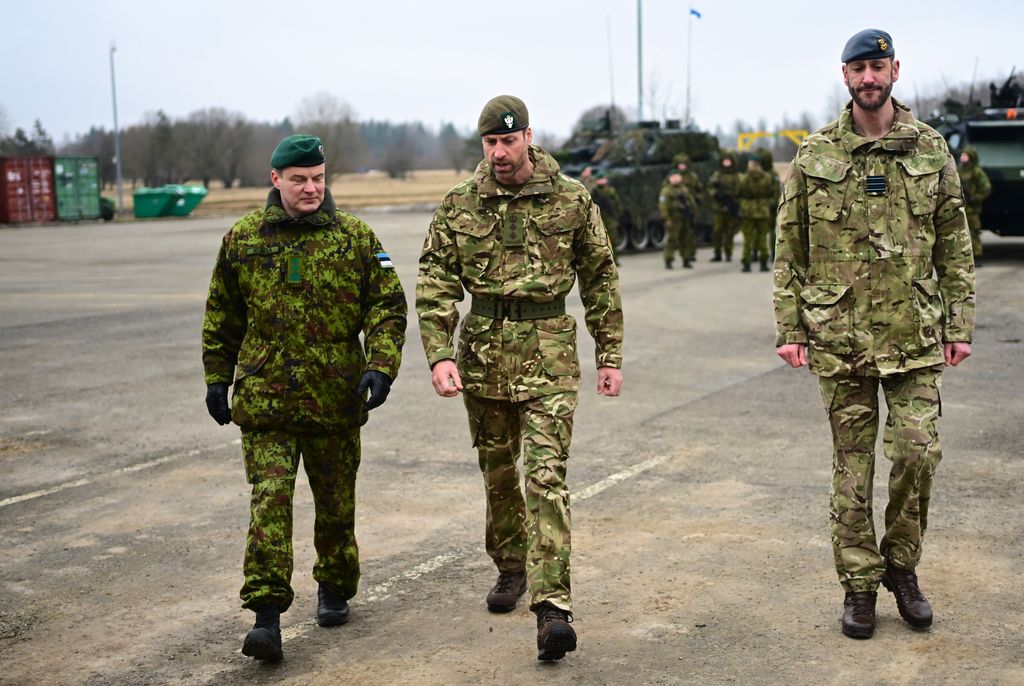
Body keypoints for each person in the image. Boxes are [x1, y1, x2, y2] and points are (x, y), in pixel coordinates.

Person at [773, 29, 975, 641]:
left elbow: (956, 246)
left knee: (918, 454)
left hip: (915, 334)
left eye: (877, 67)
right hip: (840, 339)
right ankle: (859, 587)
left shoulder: (930, 149)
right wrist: (791, 327)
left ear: (895, 71)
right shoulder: (816, 156)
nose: (869, 78)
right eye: (859, 68)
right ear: (845, 76)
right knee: (852, 470)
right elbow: (789, 249)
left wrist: (959, 322)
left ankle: (903, 568)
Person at [416, 95, 624, 662]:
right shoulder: (461, 204)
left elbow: (600, 278)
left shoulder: (572, 199)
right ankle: (511, 566)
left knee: (546, 476)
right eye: (491, 143)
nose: (501, 152)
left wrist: (610, 354)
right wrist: (439, 354)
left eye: (509, 141)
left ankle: (553, 607)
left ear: (529, 137)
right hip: (482, 355)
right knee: (500, 473)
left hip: (550, 353)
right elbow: (434, 280)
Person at [201, 134, 407, 661]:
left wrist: (380, 367)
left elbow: (387, 307)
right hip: (266, 399)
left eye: (318, 178)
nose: (311, 188)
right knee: (269, 501)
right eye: (299, 180)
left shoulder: (355, 238)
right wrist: (217, 378)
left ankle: (335, 584)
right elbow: (222, 314)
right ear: (276, 181)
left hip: (335, 397)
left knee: (335, 506)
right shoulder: (244, 239)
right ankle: (266, 616)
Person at [737, 152, 777, 272]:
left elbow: (737, 193)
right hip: (762, 210)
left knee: (748, 239)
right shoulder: (767, 177)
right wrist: (766, 204)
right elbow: (773, 193)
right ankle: (763, 262)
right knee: (762, 238)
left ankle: (746, 263)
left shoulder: (744, 178)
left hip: (747, 210)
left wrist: (742, 204)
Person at [957, 146, 991, 266]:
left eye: (965, 155)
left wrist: (975, 198)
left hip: (971, 209)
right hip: (961, 207)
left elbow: (986, 187)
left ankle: (978, 256)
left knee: (974, 233)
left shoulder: (977, 171)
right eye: (962, 155)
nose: (962, 157)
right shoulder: (960, 170)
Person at [708, 152, 741, 262]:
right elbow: (710, 187)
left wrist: (733, 199)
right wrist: (716, 194)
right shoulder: (717, 175)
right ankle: (717, 253)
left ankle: (728, 253)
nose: (726, 163)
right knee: (717, 231)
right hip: (718, 208)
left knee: (730, 232)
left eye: (728, 161)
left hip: (731, 207)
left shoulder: (736, 176)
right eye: (725, 161)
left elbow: (740, 190)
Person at [660, 170, 697, 269]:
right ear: (669, 178)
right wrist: (666, 218)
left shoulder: (684, 189)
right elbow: (663, 206)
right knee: (672, 240)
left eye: (677, 176)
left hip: (684, 218)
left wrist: (693, 213)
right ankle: (668, 260)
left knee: (685, 239)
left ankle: (686, 259)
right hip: (673, 219)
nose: (676, 179)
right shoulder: (667, 190)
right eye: (673, 177)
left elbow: (691, 202)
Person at [590, 172, 623, 263]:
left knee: (613, 239)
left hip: (610, 218)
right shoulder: (594, 192)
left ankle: (614, 259)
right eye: (600, 179)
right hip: (599, 218)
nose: (602, 180)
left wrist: (617, 216)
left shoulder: (610, 190)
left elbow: (617, 203)